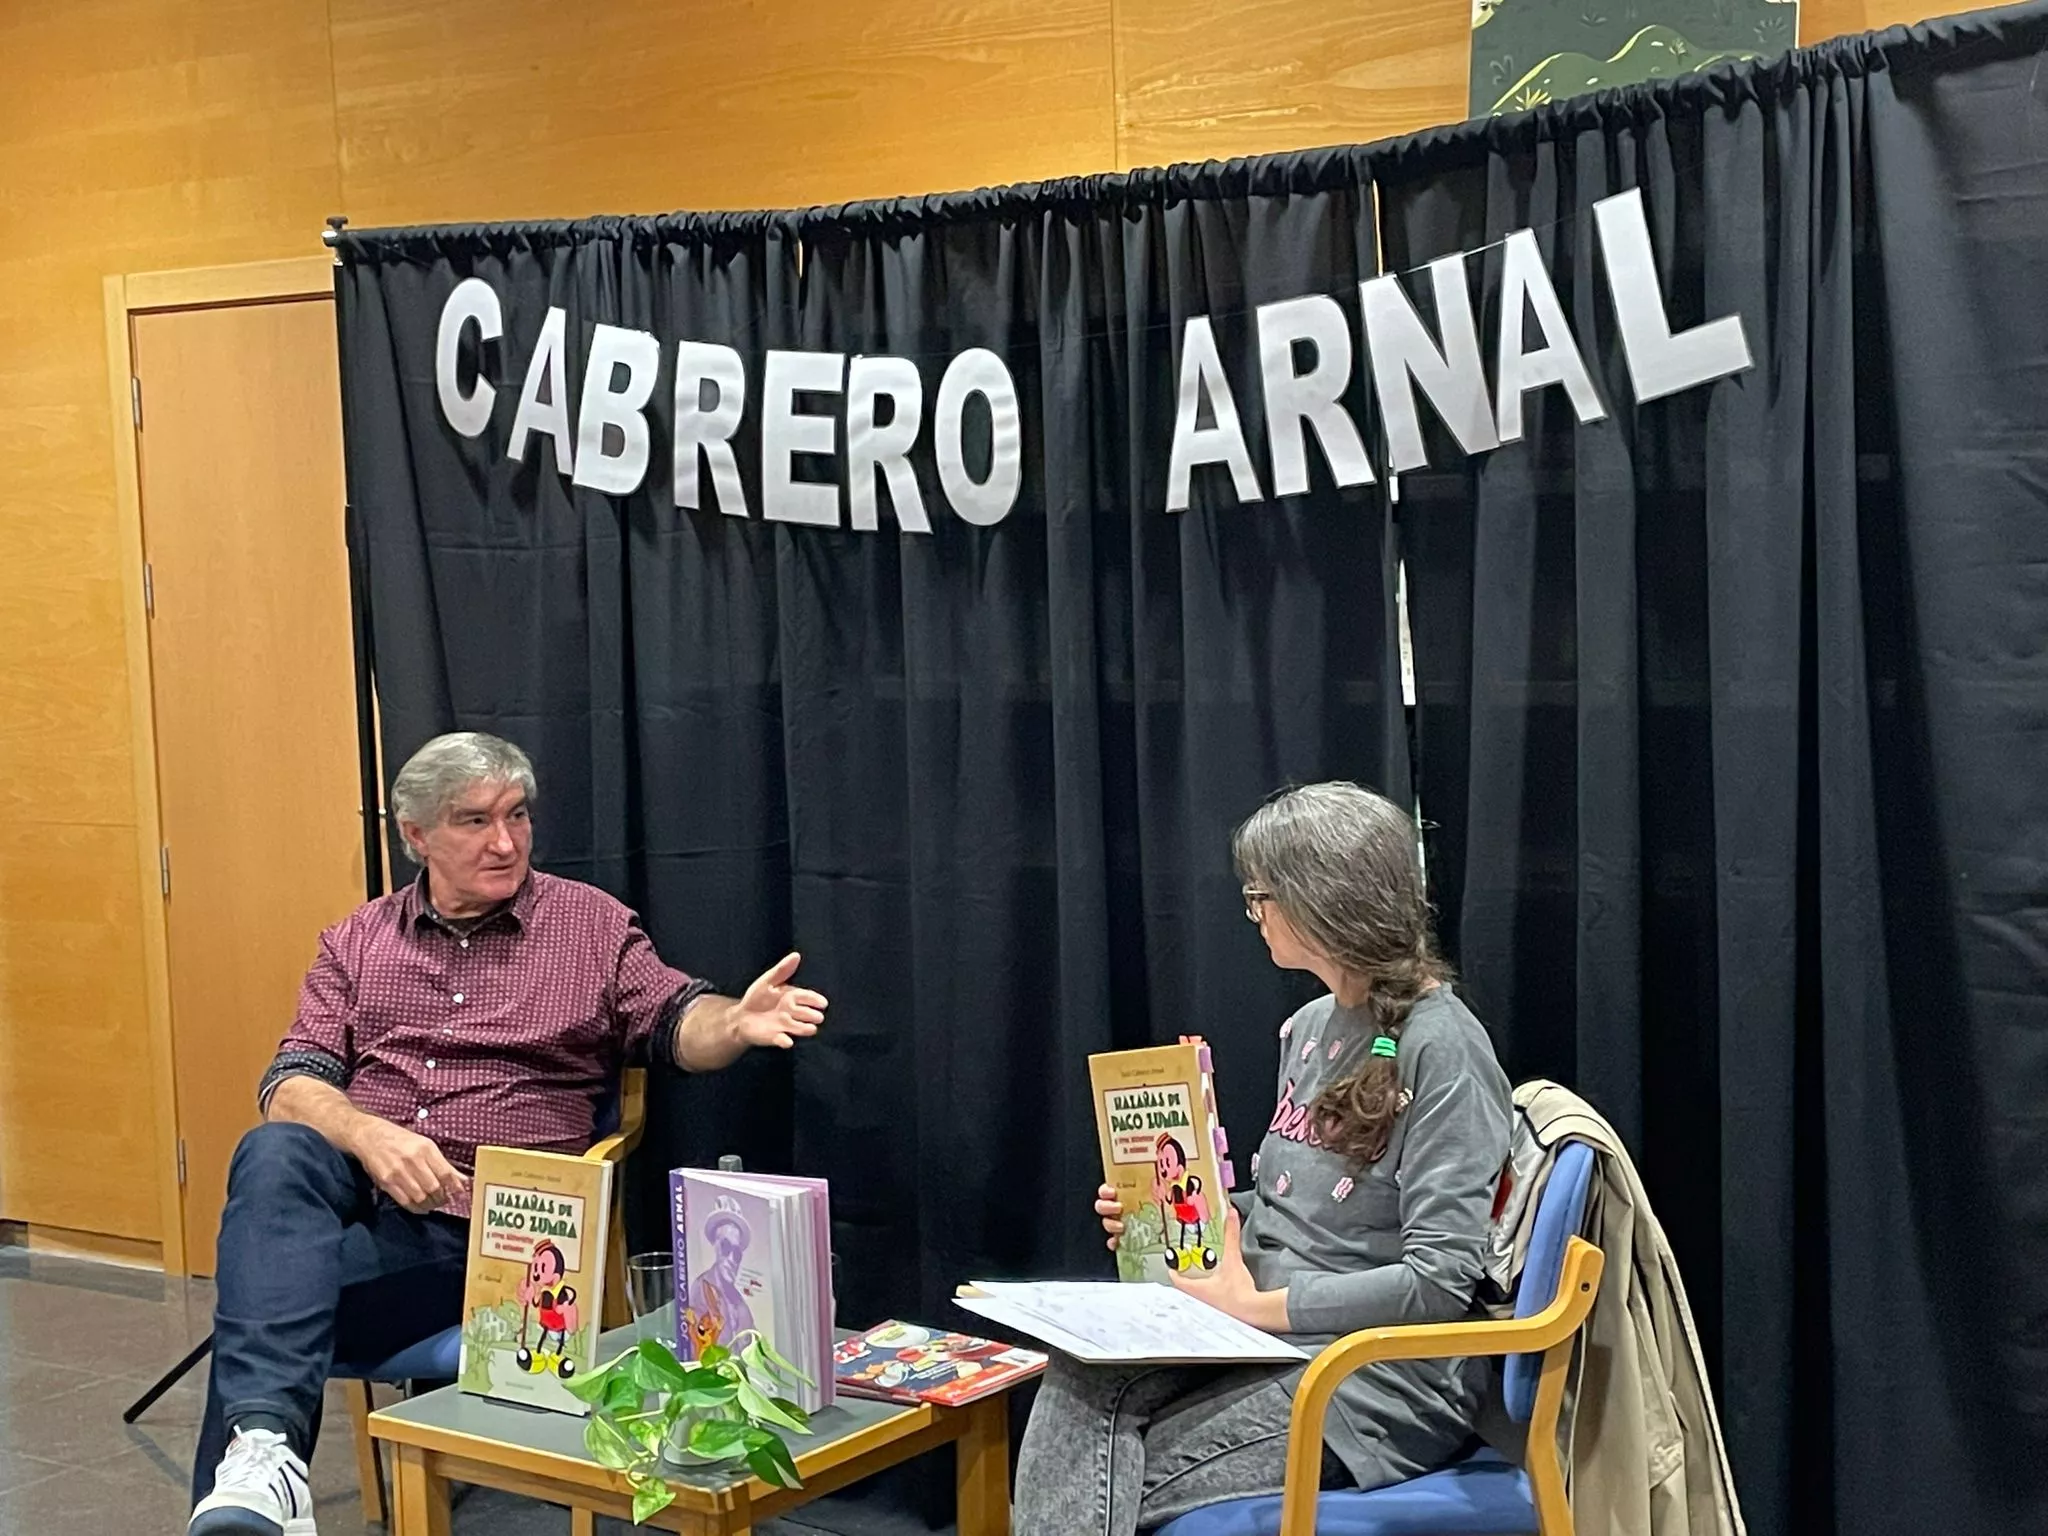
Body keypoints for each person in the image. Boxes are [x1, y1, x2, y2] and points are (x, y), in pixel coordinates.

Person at [189, 732, 828, 1536]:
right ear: (414, 834)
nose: (504, 841)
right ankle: (264, 1466)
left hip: (505, 1243)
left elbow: (675, 1019)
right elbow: (290, 1082)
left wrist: (733, 1020)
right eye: (473, 820)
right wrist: (370, 1135)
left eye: (517, 815)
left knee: (261, 1309)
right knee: (277, 1150)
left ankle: (257, 1472)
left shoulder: (587, 927)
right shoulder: (356, 940)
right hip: (366, 1213)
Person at [1014, 781, 1512, 1535]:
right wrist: (1169, 1209)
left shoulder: (1443, 1049)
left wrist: (1252, 1306)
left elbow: (1438, 1282)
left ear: (1322, 902)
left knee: (1104, 1491)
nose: (1254, 914)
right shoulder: (1313, 1024)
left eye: (1261, 896)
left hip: (1364, 1384)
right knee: (1079, 1383)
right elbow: (1287, 1202)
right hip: (1260, 1340)